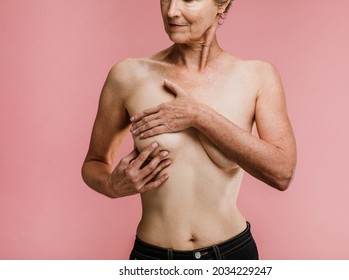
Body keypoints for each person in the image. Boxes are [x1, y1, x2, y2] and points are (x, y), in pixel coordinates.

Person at [82, 0, 296, 260]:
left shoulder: (256, 76)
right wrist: (110, 185)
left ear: (222, 3)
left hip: (230, 255)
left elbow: (282, 173)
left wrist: (199, 115)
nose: (171, 11)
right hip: (154, 259)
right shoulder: (128, 75)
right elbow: (94, 162)